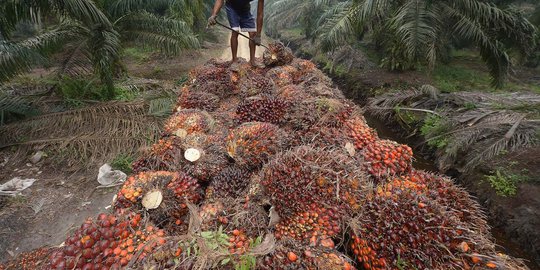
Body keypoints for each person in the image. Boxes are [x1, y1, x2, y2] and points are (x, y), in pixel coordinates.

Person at [208, 0, 265, 67]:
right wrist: (214, 15)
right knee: (235, 31)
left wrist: (258, 35)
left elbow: (260, 13)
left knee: (253, 33)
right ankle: (234, 60)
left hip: (245, 9)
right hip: (232, 7)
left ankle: (252, 61)